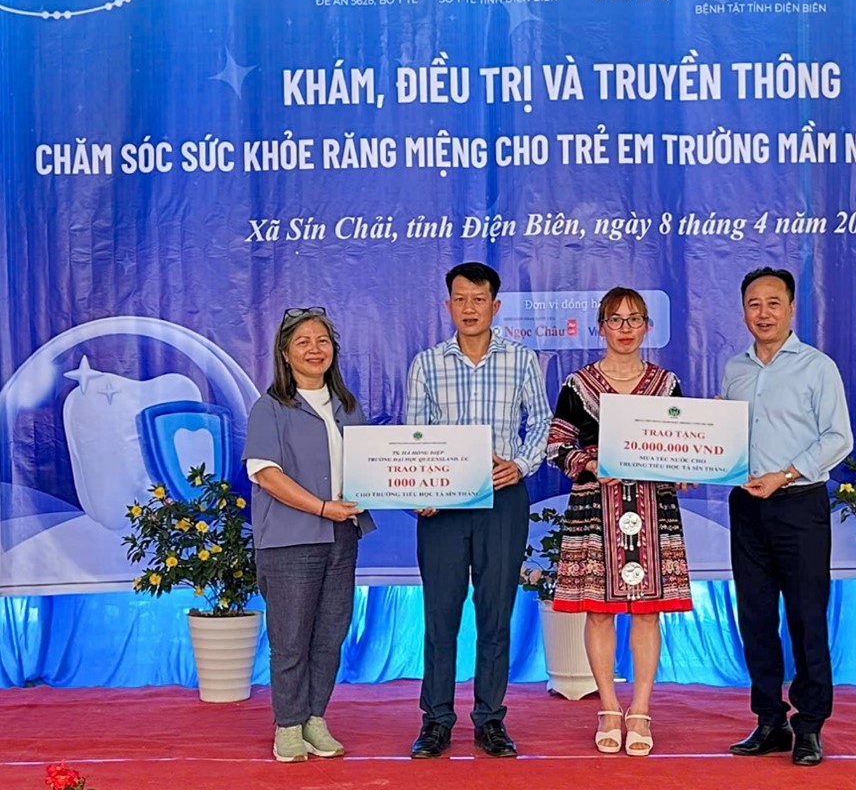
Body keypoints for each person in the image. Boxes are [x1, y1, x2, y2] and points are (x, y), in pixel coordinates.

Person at [405, 262, 550, 759]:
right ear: (448, 305)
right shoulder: (427, 363)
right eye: (461, 299)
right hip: (443, 505)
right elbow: (414, 435)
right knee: (439, 615)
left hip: (502, 500)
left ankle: (490, 719)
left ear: (495, 305)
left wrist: (521, 465)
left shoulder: (522, 359)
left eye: (479, 299)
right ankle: (435, 721)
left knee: (496, 613)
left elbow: (542, 422)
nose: (469, 308)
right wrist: (418, 490)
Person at [547, 287, 693, 757]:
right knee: (599, 610)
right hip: (596, 505)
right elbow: (557, 446)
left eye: (634, 320)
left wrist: (688, 468)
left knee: (649, 610)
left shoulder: (666, 384)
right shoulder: (578, 384)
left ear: (647, 326)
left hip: (653, 505)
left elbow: (683, 442)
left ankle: (642, 709)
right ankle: (609, 708)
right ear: (601, 327)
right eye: (615, 319)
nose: (625, 329)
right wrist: (590, 463)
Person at [721, 267, 852, 767]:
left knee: (806, 617)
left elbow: (838, 438)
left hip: (800, 504)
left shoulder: (818, 367)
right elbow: (726, 438)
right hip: (746, 507)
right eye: (754, 304)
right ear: (743, 311)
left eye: (773, 303)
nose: (764, 313)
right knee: (755, 617)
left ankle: (810, 725)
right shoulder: (734, 369)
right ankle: (769, 720)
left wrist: (786, 473)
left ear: (792, 309)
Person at [242, 307, 376, 763]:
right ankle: (288, 724)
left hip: (342, 536)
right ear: (285, 353)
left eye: (323, 341)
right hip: (289, 540)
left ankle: (315, 718)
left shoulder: (348, 406)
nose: (315, 349)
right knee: (290, 639)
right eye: (303, 342)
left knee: (330, 634)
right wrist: (321, 507)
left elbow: (371, 466)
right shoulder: (270, 408)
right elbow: (267, 475)